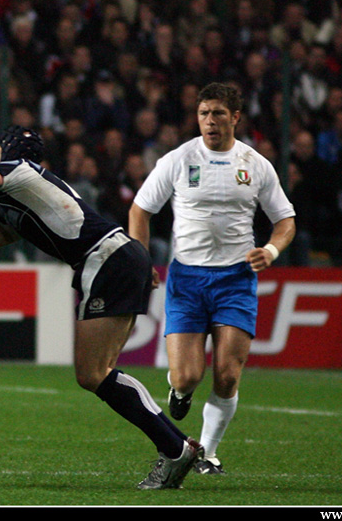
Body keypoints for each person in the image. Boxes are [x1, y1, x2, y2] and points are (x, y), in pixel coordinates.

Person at [0, 125, 204, 490]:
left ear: (4, 151)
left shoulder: (16, 170)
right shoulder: (27, 196)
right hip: (117, 258)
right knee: (96, 372)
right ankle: (175, 446)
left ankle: (176, 447)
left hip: (107, 259)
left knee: (93, 372)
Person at [128, 82, 296, 475]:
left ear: (235, 117)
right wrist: (141, 260)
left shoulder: (255, 164)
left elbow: (285, 221)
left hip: (236, 279)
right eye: (204, 113)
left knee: (227, 374)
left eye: (218, 113)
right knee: (187, 376)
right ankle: (179, 389)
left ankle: (207, 451)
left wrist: (270, 250)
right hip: (187, 278)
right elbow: (139, 212)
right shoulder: (178, 159)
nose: (210, 121)